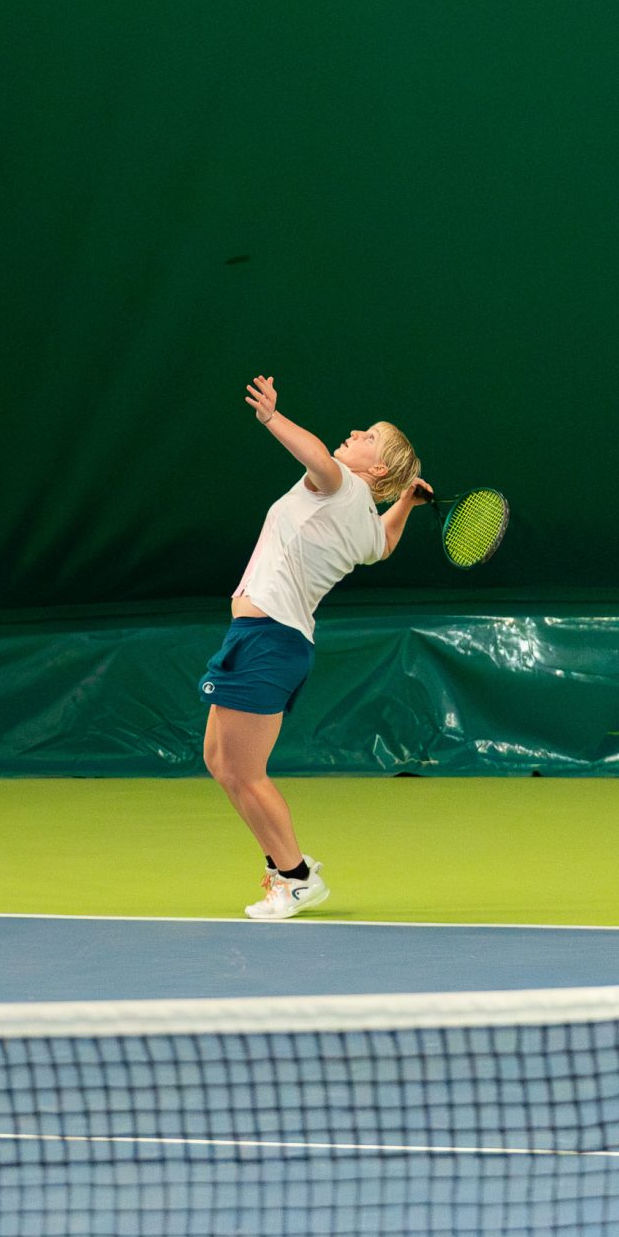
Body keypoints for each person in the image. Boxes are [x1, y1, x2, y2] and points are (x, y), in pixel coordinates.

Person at [202, 376, 431, 921]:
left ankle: (297, 878)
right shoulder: (364, 524)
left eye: (369, 437)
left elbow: (320, 460)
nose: (355, 433)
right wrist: (405, 502)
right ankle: (287, 867)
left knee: (245, 772)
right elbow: (385, 544)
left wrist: (272, 418)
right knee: (221, 761)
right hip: (272, 641)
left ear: (376, 470)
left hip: (267, 638)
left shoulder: (342, 486)